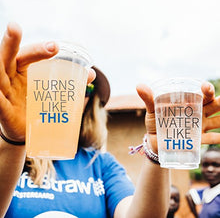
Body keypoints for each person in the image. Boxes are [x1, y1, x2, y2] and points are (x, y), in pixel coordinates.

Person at [0, 22, 220, 218]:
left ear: (90, 101)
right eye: (50, 82)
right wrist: (14, 141)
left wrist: (157, 152)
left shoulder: (100, 165)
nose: (65, 93)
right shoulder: (7, 158)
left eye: (76, 85)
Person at [186, 147, 220, 218]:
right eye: (205, 165)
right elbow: (189, 195)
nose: (210, 169)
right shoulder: (206, 192)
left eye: (216, 165)